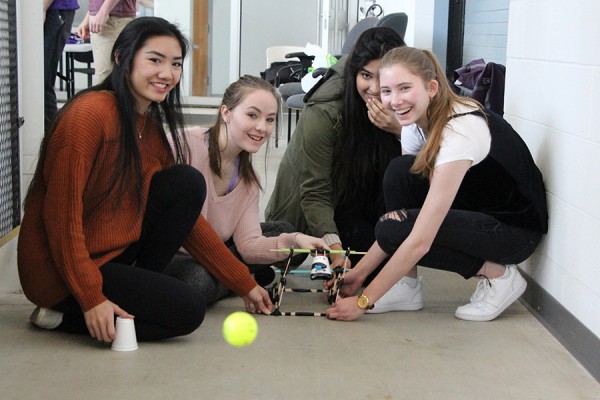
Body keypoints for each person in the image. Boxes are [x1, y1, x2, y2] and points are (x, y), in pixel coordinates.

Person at [18, 17, 272, 344]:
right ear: (122, 58)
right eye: (155, 60)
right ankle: (63, 316)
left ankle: (129, 289)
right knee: (188, 309)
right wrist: (91, 297)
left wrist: (243, 283)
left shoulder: (149, 129)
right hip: (58, 273)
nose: (167, 73)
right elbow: (60, 219)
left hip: (109, 253)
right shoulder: (88, 116)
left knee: (185, 182)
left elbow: (188, 224)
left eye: (176, 64)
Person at [325, 46, 548, 322]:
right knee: (400, 173)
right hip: (479, 209)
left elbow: (418, 238)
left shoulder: (460, 130)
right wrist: (357, 275)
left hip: (514, 232)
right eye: (387, 91)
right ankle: (406, 286)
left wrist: (363, 300)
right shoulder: (413, 122)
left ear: (431, 88)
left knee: (396, 228)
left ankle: (499, 276)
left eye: (405, 88)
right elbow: (406, 205)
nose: (395, 101)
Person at [265, 27, 422, 294]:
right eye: (365, 76)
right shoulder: (326, 111)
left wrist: (398, 129)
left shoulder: (406, 99)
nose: (373, 89)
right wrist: (335, 249)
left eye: (382, 77)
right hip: (325, 208)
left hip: (365, 197)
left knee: (402, 172)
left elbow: (431, 164)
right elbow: (315, 192)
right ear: (354, 73)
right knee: (364, 273)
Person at [165, 75, 329, 302]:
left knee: (287, 232)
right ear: (226, 113)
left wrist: (296, 240)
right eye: (252, 115)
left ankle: (230, 275)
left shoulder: (248, 180)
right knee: (196, 282)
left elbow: (249, 246)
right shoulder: (185, 146)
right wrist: (244, 280)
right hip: (172, 252)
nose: (262, 127)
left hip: (218, 249)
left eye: (270, 119)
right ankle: (243, 275)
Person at [77, 0, 136, 83]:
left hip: (112, 18)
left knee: (106, 78)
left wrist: (102, 13)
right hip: (107, 17)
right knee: (107, 77)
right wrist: (89, 16)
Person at [43, 0, 80, 132]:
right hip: (52, 10)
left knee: (43, 80)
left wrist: (43, 7)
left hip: (55, 9)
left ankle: (52, 137)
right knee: (42, 80)